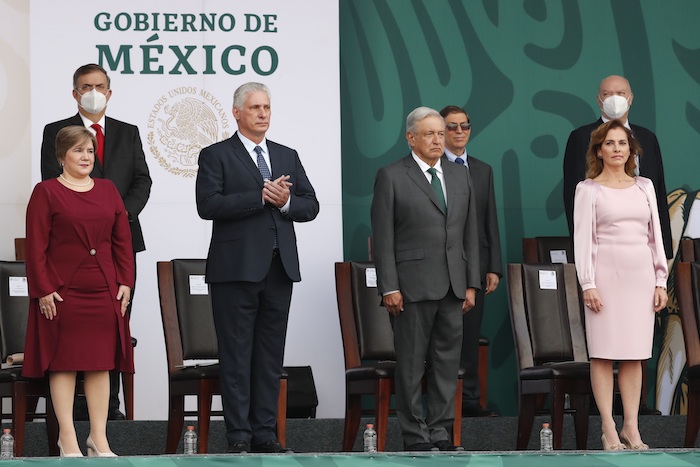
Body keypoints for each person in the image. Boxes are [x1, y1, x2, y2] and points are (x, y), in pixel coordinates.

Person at [195, 82, 319, 454]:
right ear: (237, 112)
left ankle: (265, 433)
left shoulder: (286, 155)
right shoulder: (216, 155)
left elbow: (309, 205)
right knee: (236, 356)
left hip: (280, 269)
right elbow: (208, 205)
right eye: (254, 108)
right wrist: (259, 196)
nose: (263, 113)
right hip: (235, 270)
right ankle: (239, 436)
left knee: (269, 356)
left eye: (266, 107)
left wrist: (285, 204)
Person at [40, 63, 151, 420]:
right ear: (75, 93)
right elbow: (52, 182)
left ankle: (110, 410)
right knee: (70, 337)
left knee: (112, 330)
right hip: (70, 251)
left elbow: (142, 182)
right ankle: (72, 412)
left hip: (118, 247)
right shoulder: (55, 131)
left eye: (100, 86)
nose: (93, 91)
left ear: (110, 91)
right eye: (86, 86)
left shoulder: (127, 132)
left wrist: (117, 216)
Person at [371, 107, 481, 451]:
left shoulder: (460, 175)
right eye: (430, 133)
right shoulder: (391, 175)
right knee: (411, 365)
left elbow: (469, 234)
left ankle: (440, 431)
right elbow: (383, 237)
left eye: (441, 133)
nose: (438, 139)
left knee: (448, 363)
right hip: (410, 286)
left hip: (452, 285)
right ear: (411, 138)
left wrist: (471, 283)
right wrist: (389, 286)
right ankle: (415, 435)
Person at [23, 126, 135, 457]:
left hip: (104, 289)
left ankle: (98, 439)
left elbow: (122, 241)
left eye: (89, 151)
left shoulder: (108, 189)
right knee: (64, 363)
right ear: (61, 157)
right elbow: (36, 247)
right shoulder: (46, 192)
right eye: (77, 151)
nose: (86, 157)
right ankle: (68, 439)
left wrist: (125, 281)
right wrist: (43, 289)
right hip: (61, 292)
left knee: (101, 364)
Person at [573, 119, 668, 451]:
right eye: (610, 143)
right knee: (602, 355)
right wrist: (588, 284)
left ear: (632, 150)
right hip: (604, 280)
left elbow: (656, 235)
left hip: (640, 279)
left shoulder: (645, 186)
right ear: (599, 150)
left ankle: (631, 426)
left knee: (634, 355)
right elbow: (583, 240)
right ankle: (609, 428)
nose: (616, 149)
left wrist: (660, 280)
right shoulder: (588, 189)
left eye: (622, 143)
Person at [563, 74, 672, 260]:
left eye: (621, 93)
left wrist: (665, 248)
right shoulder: (582, 137)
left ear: (630, 99)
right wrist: (582, 251)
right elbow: (573, 198)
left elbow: (658, 193)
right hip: (602, 249)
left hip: (644, 247)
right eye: (608, 94)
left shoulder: (647, 138)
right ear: (599, 100)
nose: (615, 99)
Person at [439, 105, 501, 417]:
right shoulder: (431, 168)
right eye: (452, 127)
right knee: (445, 338)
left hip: (475, 266)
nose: (459, 132)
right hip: (440, 266)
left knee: (470, 335)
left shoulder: (482, 169)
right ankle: (444, 404)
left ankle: (471, 401)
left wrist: (493, 266)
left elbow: (489, 221)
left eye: (465, 126)